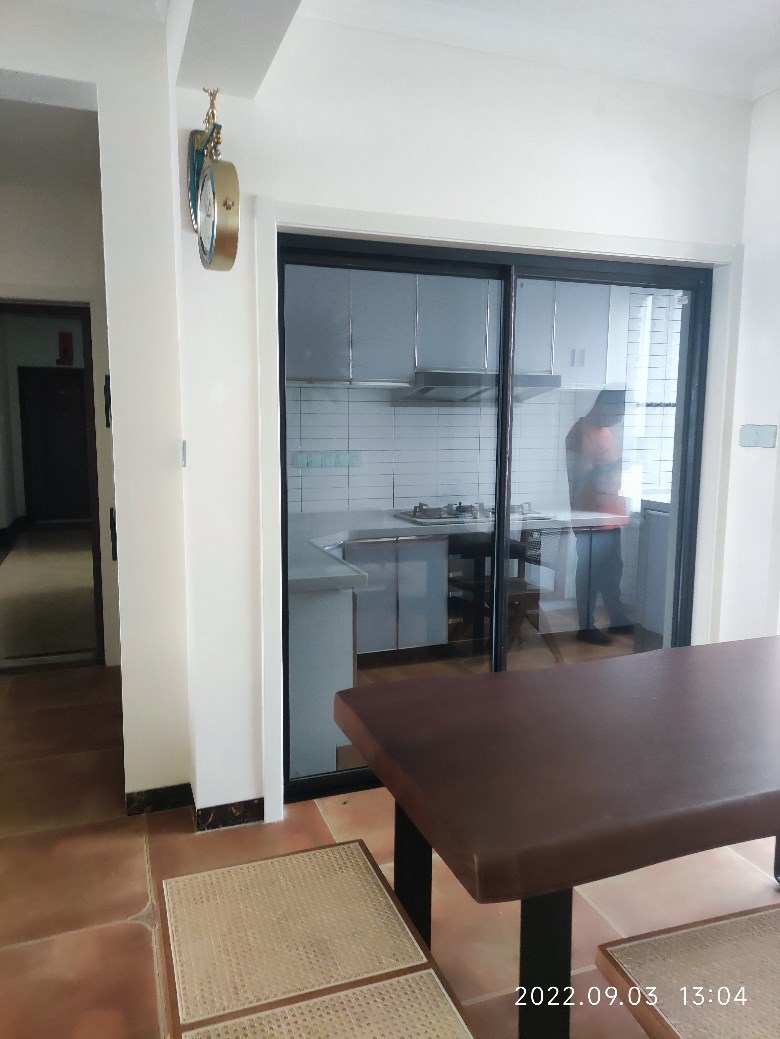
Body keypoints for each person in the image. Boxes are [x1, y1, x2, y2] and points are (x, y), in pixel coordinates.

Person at [565, 389, 634, 645]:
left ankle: (618, 619)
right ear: (602, 404)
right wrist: (613, 467)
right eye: (616, 413)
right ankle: (586, 627)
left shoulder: (607, 431)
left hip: (612, 516)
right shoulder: (580, 433)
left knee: (613, 571)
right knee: (590, 575)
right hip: (591, 518)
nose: (618, 419)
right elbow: (580, 479)